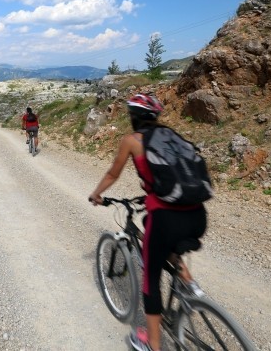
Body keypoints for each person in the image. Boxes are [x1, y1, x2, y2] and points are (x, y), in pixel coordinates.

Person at [88, 93, 207, 351]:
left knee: (150, 280)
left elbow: (113, 173)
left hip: (167, 218)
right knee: (169, 248)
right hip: (197, 214)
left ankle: (153, 346)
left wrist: (97, 195)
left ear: (134, 117)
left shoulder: (132, 140)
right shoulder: (172, 136)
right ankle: (191, 286)